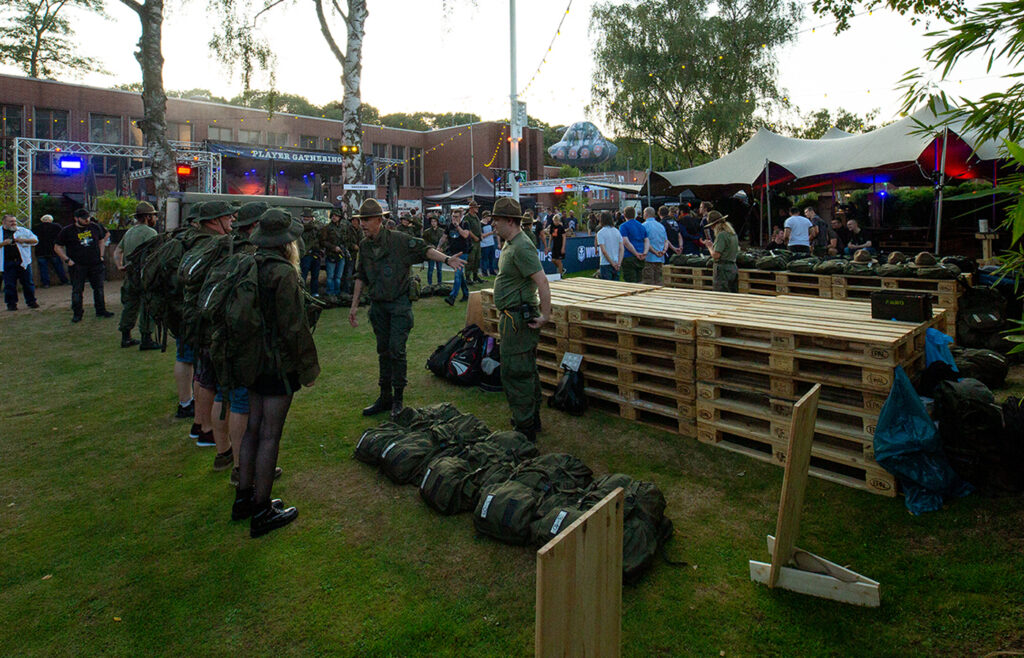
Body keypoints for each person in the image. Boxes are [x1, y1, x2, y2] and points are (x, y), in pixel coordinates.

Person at [233, 208, 320, 538]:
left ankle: (244, 499)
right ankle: (262, 510)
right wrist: (308, 368)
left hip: (252, 360)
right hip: (276, 364)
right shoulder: (282, 272)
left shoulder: (249, 262)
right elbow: (294, 327)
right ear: (286, 241)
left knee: (253, 429)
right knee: (270, 434)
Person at [349, 199, 465, 420]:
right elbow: (360, 276)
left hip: (399, 305)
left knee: (396, 350)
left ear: (378, 220)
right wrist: (354, 306)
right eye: (361, 219)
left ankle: (398, 399)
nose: (362, 224)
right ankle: (385, 397)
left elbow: (425, 250)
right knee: (383, 351)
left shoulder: (398, 240)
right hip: (378, 306)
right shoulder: (364, 246)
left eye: (366, 219)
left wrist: (447, 259)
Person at [490, 197, 552, 442]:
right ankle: (530, 419)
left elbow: (543, 282)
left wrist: (546, 315)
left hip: (517, 319)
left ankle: (525, 427)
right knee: (524, 369)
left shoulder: (522, 246)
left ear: (509, 220)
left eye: (496, 219)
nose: (493, 223)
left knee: (516, 372)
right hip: (512, 318)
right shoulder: (511, 243)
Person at [54, 208, 113, 323]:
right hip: (78, 265)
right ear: (76, 219)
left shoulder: (94, 227)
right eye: (84, 218)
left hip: (95, 263)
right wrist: (67, 260)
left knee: (99, 288)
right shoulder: (67, 231)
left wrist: (101, 255)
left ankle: (101, 310)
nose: (87, 220)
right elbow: (57, 247)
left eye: (88, 217)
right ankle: (77, 313)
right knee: (77, 290)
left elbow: (101, 240)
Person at [114, 201, 159, 348]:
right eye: (154, 216)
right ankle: (146, 339)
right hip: (145, 276)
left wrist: (119, 266)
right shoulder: (150, 233)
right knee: (147, 306)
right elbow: (155, 255)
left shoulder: (129, 232)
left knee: (130, 306)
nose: (156, 218)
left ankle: (125, 337)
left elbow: (118, 251)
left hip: (130, 275)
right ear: (147, 217)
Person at [1, 213, 39, 311]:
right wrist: (3, 244)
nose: (13, 223)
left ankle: (31, 301)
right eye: (11, 221)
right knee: (9, 284)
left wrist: (24, 240)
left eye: (14, 221)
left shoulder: (23, 231)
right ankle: (11, 304)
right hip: (7, 262)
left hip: (23, 261)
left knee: (28, 283)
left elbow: (35, 240)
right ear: (4, 222)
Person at [701, 211, 739, 292]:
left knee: (720, 295)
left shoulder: (721, 235)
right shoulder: (733, 234)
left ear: (714, 225)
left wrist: (710, 247)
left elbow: (716, 255)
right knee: (733, 294)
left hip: (723, 270)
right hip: (733, 267)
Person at [444, 207, 471, 305]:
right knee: (460, 275)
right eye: (453, 217)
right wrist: (439, 246)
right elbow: (444, 237)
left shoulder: (465, 224)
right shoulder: (449, 226)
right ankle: (466, 293)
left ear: (460, 217)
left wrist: (458, 227)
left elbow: (465, 235)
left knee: (457, 274)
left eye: (456, 217)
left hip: (463, 253)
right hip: (453, 253)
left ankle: (452, 296)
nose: (454, 219)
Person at [33, 214, 69, 288]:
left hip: (40, 251)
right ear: (51, 220)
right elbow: (62, 236)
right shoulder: (56, 227)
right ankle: (64, 280)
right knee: (58, 266)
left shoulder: (36, 227)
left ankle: (46, 283)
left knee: (43, 268)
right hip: (53, 250)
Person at [320, 207, 348, 299]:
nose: (334, 217)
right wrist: (333, 247)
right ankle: (330, 294)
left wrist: (344, 248)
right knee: (330, 277)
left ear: (340, 217)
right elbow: (323, 242)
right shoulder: (327, 228)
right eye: (333, 215)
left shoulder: (343, 228)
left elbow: (346, 240)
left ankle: (337, 294)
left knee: (338, 277)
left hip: (341, 255)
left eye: (336, 216)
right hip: (331, 255)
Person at [618, 206, 647, 283]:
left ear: (624, 215)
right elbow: (646, 240)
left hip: (629, 256)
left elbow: (625, 242)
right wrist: (645, 252)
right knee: (640, 280)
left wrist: (635, 253)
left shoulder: (623, 226)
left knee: (630, 282)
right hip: (641, 255)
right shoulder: (641, 225)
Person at [298, 209, 322, 297]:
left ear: (312, 218)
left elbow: (321, 239)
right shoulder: (299, 228)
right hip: (305, 255)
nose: (306, 218)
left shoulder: (316, 228)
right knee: (303, 275)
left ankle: (314, 292)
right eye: (305, 217)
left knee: (315, 275)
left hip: (316, 254)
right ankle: (302, 292)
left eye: (308, 217)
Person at [642, 206, 667, 284]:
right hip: (660, 258)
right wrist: (663, 251)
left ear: (646, 214)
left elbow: (646, 242)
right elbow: (666, 241)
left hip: (649, 257)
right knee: (659, 281)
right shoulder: (661, 226)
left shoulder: (644, 226)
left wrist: (655, 252)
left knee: (648, 281)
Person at [595, 211, 623, 281]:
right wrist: (619, 263)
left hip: (605, 263)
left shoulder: (600, 233)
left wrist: (612, 264)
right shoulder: (617, 231)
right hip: (616, 262)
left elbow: (604, 251)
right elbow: (621, 248)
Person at [422, 214, 445, 285]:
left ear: (437, 222)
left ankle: (439, 283)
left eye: (435, 221)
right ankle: (430, 284)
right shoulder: (427, 232)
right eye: (432, 221)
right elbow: (424, 241)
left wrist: (442, 248)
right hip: (431, 252)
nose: (433, 223)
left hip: (439, 252)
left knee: (439, 269)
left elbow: (445, 241)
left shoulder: (442, 231)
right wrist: (430, 246)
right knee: (430, 269)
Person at [342, 212, 362, 294]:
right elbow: (345, 241)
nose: (354, 222)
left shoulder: (361, 230)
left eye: (356, 220)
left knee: (357, 274)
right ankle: (347, 290)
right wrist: (353, 246)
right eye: (353, 220)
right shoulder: (348, 229)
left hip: (359, 255)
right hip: (350, 254)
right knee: (348, 273)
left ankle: (355, 291)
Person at [465, 199, 484, 284]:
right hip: (471, 241)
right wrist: (474, 237)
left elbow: (478, 227)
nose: (477, 209)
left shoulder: (476, 217)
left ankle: (475, 276)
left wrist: (481, 235)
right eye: (476, 207)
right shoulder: (467, 217)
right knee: (471, 259)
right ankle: (468, 277)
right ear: (471, 208)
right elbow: (467, 229)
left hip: (478, 241)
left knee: (477, 258)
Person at [479, 211, 498, 276]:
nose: (490, 218)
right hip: (484, 244)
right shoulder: (480, 224)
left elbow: (493, 225)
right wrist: (491, 233)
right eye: (489, 216)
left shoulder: (489, 223)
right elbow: (482, 235)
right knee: (484, 259)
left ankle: (491, 271)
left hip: (491, 243)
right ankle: (484, 272)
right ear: (485, 216)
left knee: (491, 258)